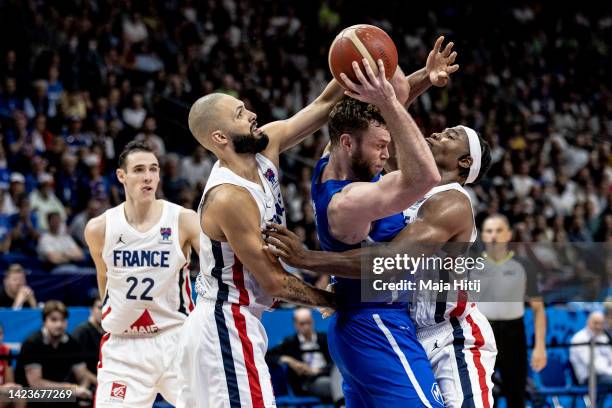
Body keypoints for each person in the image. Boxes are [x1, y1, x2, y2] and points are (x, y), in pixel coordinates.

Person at [265, 124, 496, 407]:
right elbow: (385, 128)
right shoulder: (408, 188)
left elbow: (389, 261)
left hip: (451, 335)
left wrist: (307, 258)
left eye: (452, 136)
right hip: (408, 327)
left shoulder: (452, 201)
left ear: (465, 162)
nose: (438, 133)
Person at [84, 140, 200, 407]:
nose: (148, 177)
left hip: (176, 340)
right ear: (121, 176)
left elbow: (215, 270)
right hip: (124, 350)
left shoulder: (183, 220)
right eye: (138, 170)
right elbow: (104, 278)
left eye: (153, 169)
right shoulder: (99, 228)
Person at [474, 214, 547, 407]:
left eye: (499, 230)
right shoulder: (471, 265)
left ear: (508, 234)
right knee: (481, 393)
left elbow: (538, 309)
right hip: (482, 335)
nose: (494, 235)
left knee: (517, 395)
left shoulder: (524, 266)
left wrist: (540, 346)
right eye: (489, 231)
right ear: (483, 236)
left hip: (514, 334)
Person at [15, 301, 94, 406]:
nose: (59, 324)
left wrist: (83, 389)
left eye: (62, 320)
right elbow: (35, 384)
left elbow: (82, 375)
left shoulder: (72, 343)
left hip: (64, 396)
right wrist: (69, 389)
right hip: (33, 396)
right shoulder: (32, 343)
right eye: (54, 320)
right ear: (44, 321)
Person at [266, 308, 342, 405]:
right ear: (295, 324)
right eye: (302, 323)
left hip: (328, 373)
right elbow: (268, 356)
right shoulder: (290, 342)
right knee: (342, 385)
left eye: (308, 322)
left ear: (313, 322)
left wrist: (320, 370)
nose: (306, 326)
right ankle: (342, 404)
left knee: (340, 373)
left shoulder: (324, 338)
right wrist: (287, 360)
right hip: (309, 382)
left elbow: (337, 360)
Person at [570, 311, 612, 406]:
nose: (598, 326)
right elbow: (594, 366)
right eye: (595, 323)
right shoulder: (579, 339)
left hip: (605, 376)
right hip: (587, 378)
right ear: (588, 322)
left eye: (601, 324)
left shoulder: (603, 338)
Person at [72, 298, 105, 375]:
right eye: (100, 307)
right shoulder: (81, 332)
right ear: (91, 309)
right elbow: (77, 367)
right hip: (88, 383)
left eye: (106, 308)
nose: (103, 311)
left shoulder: (108, 333)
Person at [0, 324, 25, 408]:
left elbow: (9, 381)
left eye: (0, 334)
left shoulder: (6, 351)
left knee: (18, 391)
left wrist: (10, 387)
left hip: (2, 391)